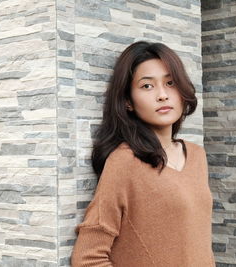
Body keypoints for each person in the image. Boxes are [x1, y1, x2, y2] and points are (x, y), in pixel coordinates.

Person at [71, 41, 216, 266]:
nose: (162, 95)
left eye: (170, 83)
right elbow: (88, 257)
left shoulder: (197, 155)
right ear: (128, 101)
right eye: (147, 86)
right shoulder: (124, 161)